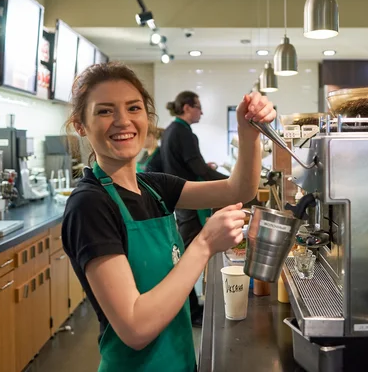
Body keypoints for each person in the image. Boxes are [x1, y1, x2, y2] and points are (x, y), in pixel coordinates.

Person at [61, 62, 275, 372]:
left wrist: (249, 133)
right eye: (105, 111)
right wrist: (203, 244)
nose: (123, 121)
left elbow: (238, 188)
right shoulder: (89, 206)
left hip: (181, 361)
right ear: (80, 125)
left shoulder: (154, 186)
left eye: (133, 108)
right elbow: (135, 327)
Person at [160, 91, 228, 326]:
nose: (201, 112)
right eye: (199, 107)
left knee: (182, 253)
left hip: (179, 203)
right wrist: (231, 183)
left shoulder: (170, 131)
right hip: (188, 205)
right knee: (187, 257)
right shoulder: (183, 132)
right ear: (187, 107)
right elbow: (199, 169)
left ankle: (191, 307)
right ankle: (190, 310)